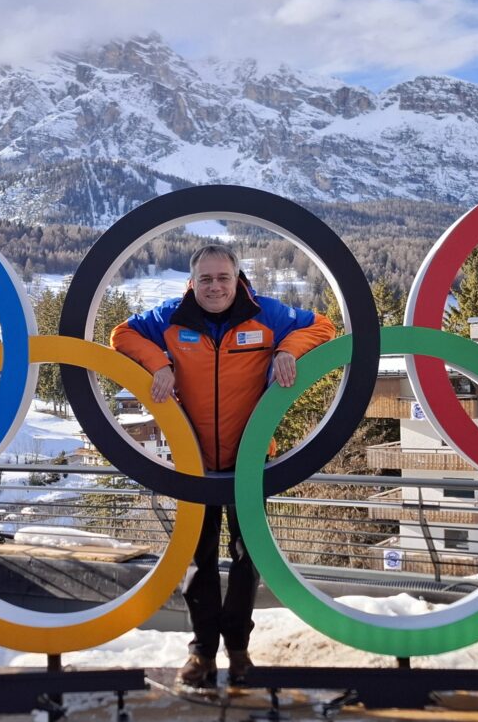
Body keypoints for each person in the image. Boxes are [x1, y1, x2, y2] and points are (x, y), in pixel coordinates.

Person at [111, 244, 335, 688]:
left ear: (238, 280)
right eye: (206, 280)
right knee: (200, 559)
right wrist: (160, 363)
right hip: (194, 462)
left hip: (250, 460)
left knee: (247, 559)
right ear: (193, 282)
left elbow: (323, 326)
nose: (215, 287)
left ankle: (238, 650)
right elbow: (121, 335)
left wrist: (288, 349)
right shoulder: (170, 317)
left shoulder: (266, 314)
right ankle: (201, 653)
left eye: (223, 278)